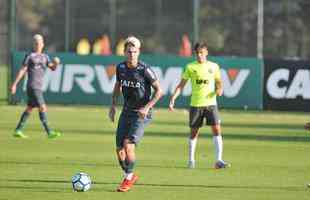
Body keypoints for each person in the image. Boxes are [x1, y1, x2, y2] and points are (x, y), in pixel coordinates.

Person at [109, 36, 163, 192]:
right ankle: (129, 175)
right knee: (119, 150)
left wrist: (147, 107)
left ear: (138, 52)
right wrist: (113, 106)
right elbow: (117, 86)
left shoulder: (144, 69)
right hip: (126, 112)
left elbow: (159, 91)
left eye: (134, 51)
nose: (132, 54)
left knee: (128, 145)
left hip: (141, 113)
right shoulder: (120, 68)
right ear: (124, 52)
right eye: (129, 51)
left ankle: (128, 178)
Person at [169, 42, 230, 169]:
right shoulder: (190, 67)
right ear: (195, 54)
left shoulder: (214, 66)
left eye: (202, 53)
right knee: (194, 132)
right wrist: (173, 98)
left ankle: (218, 160)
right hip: (196, 104)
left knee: (217, 129)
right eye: (197, 53)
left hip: (211, 104)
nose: (199, 55)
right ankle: (191, 160)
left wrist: (219, 89)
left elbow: (219, 81)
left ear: (206, 53)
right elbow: (181, 85)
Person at [10, 34, 62, 139]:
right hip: (33, 86)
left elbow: (52, 68)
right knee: (42, 107)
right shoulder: (30, 56)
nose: (38, 45)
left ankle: (18, 130)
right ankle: (49, 132)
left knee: (29, 108)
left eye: (39, 43)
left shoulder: (45, 57)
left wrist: (56, 63)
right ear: (34, 44)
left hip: (37, 86)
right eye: (36, 43)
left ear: (43, 44)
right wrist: (14, 84)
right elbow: (23, 70)